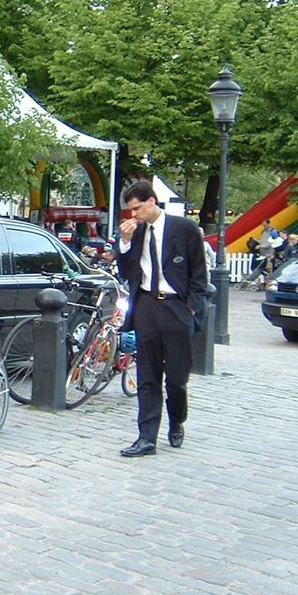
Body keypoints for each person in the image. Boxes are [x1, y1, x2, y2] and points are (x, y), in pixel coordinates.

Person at [115, 180, 207, 457]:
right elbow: (127, 271)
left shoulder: (185, 229)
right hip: (146, 306)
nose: (134, 215)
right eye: (131, 210)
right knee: (147, 376)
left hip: (176, 308)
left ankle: (177, 420)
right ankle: (146, 437)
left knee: (176, 379)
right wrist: (125, 242)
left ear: (152, 202)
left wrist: (190, 309)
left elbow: (199, 275)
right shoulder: (138, 231)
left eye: (138, 208)